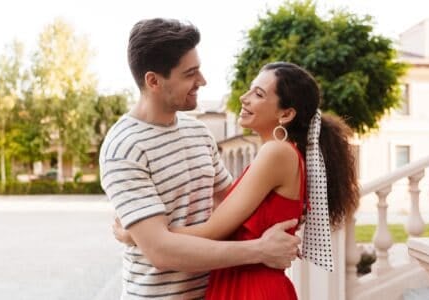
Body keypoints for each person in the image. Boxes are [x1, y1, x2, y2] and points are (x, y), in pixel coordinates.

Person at [115, 61, 360, 299]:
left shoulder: (277, 153)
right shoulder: (281, 154)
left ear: (286, 114)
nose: (244, 98)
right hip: (241, 284)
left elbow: (212, 231)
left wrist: (141, 236)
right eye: (250, 90)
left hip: (252, 289)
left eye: (259, 94)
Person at [99, 18, 301, 300]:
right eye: (190, 73)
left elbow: (231, 208)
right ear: (153, 81)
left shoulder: (198, 132)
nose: (202, 81)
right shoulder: (124, 147)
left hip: (215, 293)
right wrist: (260, 250)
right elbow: (161, 252)